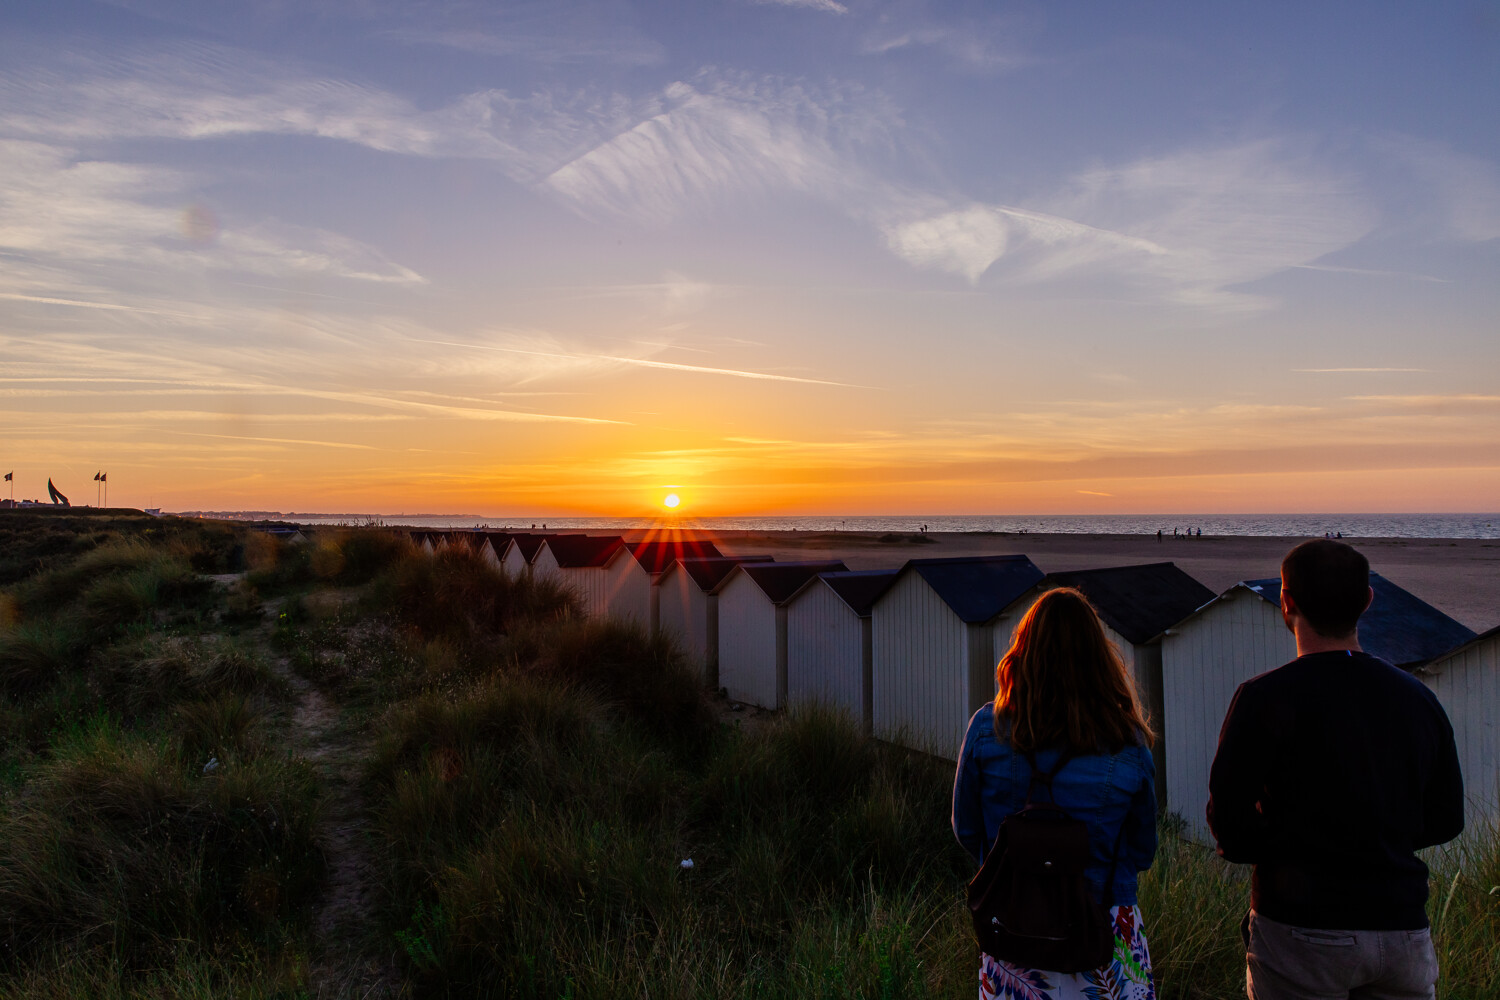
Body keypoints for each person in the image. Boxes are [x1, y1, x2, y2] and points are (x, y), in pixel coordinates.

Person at [1208, 539, 1464, 1000]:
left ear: (1286, 602)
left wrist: (1291, 846)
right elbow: (1447, 817)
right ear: (1367, 600)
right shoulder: (1418, 698)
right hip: (1401, 929)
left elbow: (1229, 823)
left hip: (1301, 928)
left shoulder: (1264, 698)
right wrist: (1380, 838)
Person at [953, 588, 1159, 1000]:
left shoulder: (986, 729)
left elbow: (966, 829)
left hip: (1012, 928)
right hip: (1105, 929)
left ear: (1024, 652)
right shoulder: (1128, 741)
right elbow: (1142, 850)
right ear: (1098, 658)